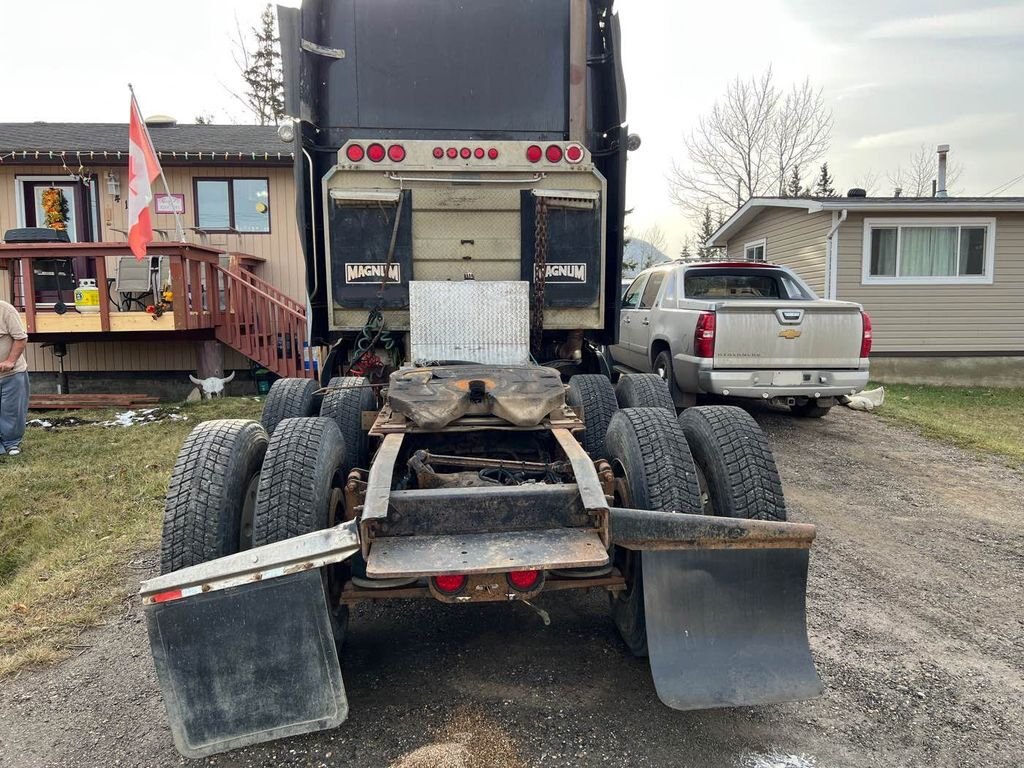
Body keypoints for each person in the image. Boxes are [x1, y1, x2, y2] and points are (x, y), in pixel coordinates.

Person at [0, 298, 29, 457]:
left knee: (11, 411)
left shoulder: (5, 310)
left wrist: (10, 361)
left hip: (10, 373)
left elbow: (20, 338)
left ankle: (12, 444)